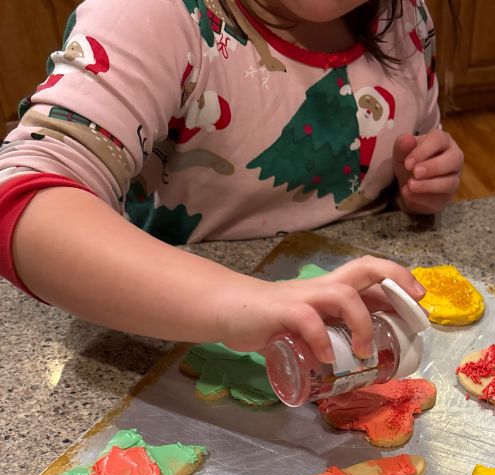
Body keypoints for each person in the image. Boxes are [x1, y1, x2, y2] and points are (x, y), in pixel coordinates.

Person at [0, 0, 463, 362]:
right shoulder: (154, 14)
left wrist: (416, 184)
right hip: (177, 323)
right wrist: (239, 302)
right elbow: (22, 196)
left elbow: (403, 145)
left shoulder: (405, 17)